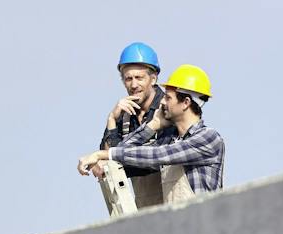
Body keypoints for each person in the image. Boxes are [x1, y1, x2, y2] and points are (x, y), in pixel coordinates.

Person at [77, 64, 224, 205]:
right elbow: (126, 152)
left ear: (185, 102)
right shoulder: (174, 141)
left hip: (203, 228)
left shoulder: (208, 138)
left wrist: (102, 154)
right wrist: (152, 126)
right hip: (177, 226)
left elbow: (157, 154)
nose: (162, 102)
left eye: (168, 97)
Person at [93, 42, 165, 210]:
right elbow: (104, 160)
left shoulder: (167, 107)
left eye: (139, 78)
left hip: (178, 202)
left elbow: (159, 158)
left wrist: (117, 162)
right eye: (128, 79)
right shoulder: (123, 113)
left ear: (153, 79)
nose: (133, 85)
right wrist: (111, 120)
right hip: (146, 207)